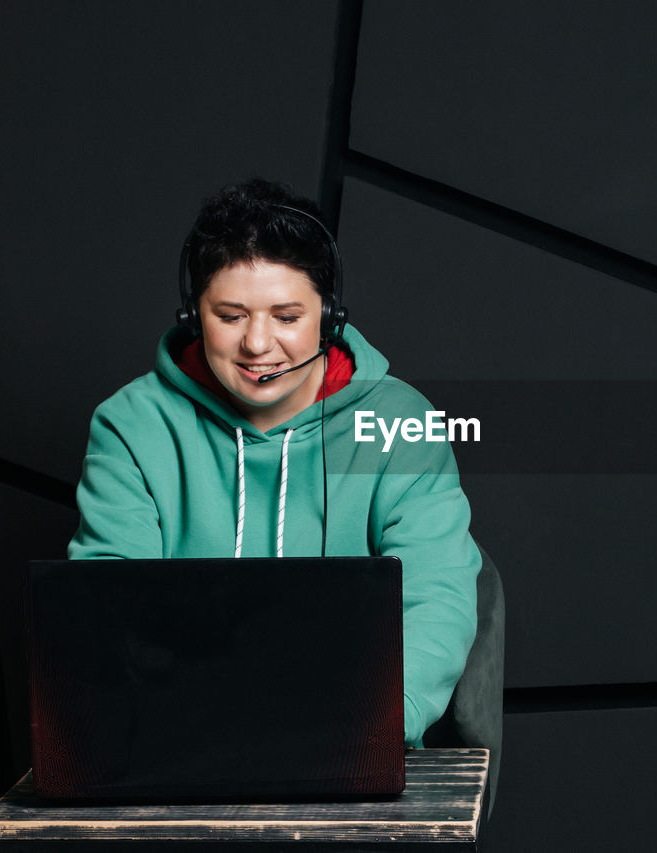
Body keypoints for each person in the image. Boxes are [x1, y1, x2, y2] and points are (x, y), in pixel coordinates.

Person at [68, 177, 481, 747]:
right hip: (179, 735)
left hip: (354, 732)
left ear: (329, 316)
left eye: (286, 317)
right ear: (194, 313)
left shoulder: (398, 422)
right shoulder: (131, 425)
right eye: (231, 316)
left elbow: (436, 596)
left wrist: (377, 724)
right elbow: (109, 605)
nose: (258, 345)